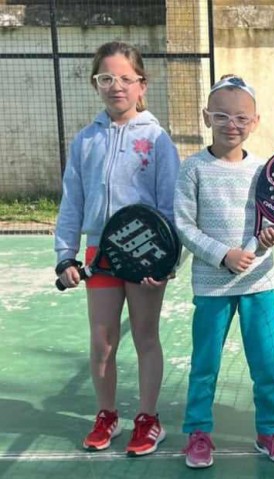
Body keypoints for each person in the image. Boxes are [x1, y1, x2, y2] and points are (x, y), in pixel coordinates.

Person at [55, 41, 180, 456]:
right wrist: (65, 256)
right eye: (106, 78)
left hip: (147, 257)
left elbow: (170, 207)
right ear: (96, 84)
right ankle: (105, 414)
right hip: (100, 256)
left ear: (142, 85)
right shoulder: (85, 140)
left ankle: (148, 419)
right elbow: (72, 201)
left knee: (145, 336)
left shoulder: (159, 140)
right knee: (102, 342)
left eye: (126, 78)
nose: (116, 86)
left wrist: (166, 260)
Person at [174, 74, 274, 469]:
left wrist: (262, 242)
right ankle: (197, 432)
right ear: (206, 116)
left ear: (255, 122)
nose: (232, 124)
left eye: (241, 118)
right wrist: (223, 255)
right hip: (211, 287)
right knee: (204, 364)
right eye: (222, 116)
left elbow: (269, 224)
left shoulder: (264, 170)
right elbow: (185, 226)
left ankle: (270, 431)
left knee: (267, 364)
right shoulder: (192, 169)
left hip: (259, 284)